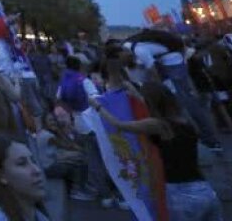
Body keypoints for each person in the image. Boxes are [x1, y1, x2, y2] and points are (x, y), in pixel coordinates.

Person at [90, 82, 223, 220]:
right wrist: (136, 93)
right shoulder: (183, 120)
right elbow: (155, 106)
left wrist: (98, 106)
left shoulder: (158, 125)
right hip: (205, 190)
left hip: (180, 195)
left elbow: (119, 125)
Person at [0, 135, 49, 221]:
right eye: (22, 163)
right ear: (1, 175)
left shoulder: (39, 216)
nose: (37, 170)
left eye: (33, 161)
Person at [35, 110, 94, 201]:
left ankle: (83, 185)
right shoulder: (48, 136)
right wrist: (83, 151)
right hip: (48, 167)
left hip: (52, 161)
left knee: (78, 158)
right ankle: (76, 190)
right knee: (78, 163)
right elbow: (67, 146)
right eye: (50, 121)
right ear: (45, 122)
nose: (53, 123)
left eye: (54, 120)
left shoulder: (46, 133)